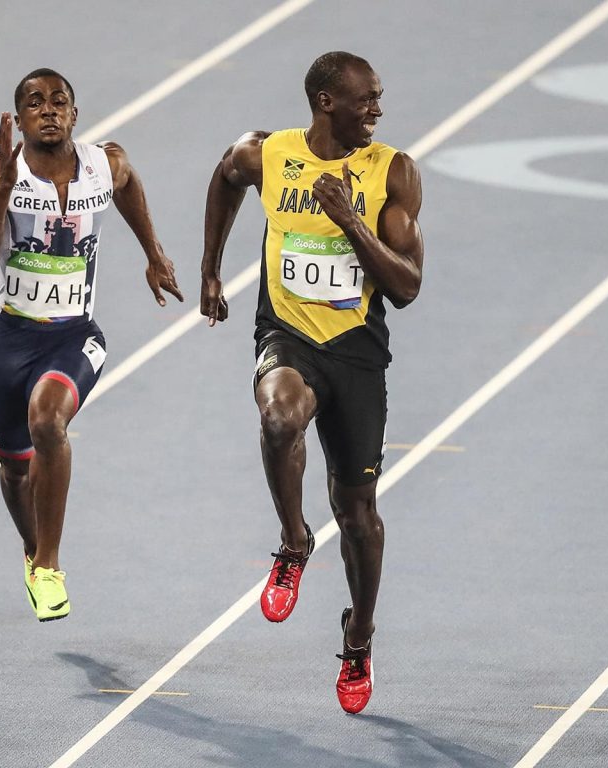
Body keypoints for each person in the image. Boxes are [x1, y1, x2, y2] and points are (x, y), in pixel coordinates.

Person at [199, 51, 424, 712]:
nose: (377, 111)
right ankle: (295, 540)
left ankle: (358, 635)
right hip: (289, 335)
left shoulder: (391, 172)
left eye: (379, 99)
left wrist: (351, 219)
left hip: (356, 352)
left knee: (357, 516)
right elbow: (224, 176)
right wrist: (211, 268)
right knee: (277, 418)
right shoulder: (269, 155)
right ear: (327, 102)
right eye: (367, 100)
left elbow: (407, 287)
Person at [0, 68, 183, 622]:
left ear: (75, 115)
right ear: (20, 119)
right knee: (14, 468)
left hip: (74, 335)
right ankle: (34, 554)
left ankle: (50, 565)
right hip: (10, 338)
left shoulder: (104, 164)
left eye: (60, 101)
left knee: (48, 420)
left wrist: (153, 254)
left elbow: (127, 186)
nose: (49, 109)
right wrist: (7, 188)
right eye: (35, 102)